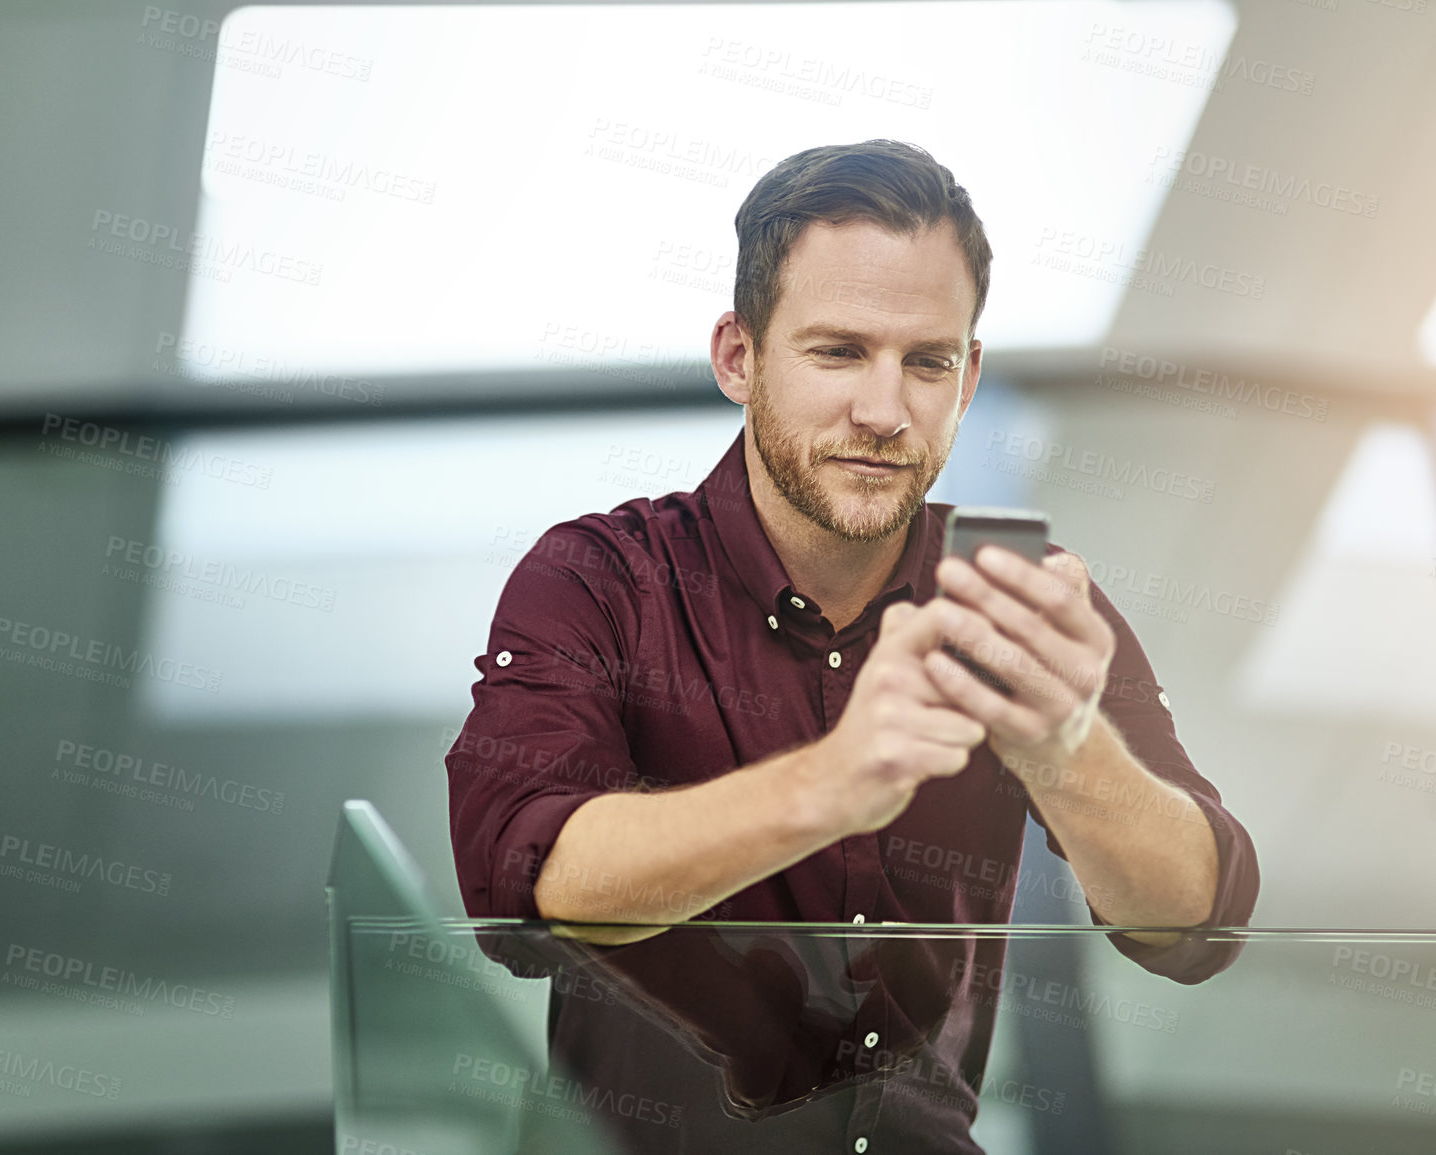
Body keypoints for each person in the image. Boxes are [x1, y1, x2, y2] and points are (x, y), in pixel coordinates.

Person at [446, 139, 1259, 1152]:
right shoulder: (596, 580)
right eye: (839, 353)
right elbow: (520, 886)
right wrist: (832, 784)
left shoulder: (1018, 596)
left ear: (967, 380)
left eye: (927, 363)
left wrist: (1066, 746)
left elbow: (1199, 922)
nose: (885, 412)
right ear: (739, 357)